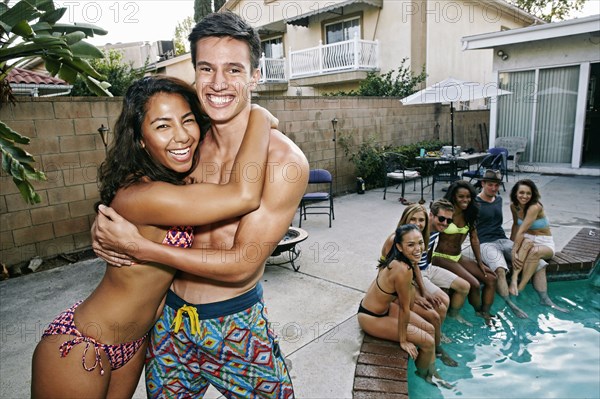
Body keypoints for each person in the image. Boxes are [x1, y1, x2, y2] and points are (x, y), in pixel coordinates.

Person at [91, 12, 308, 397]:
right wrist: (106, 221)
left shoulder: (284, 163)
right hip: (170, 319)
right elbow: (136, 190)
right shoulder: (187, 142)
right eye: (206, 68)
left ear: (255, 76)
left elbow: (243, 264)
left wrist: (139, 247)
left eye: (234, 69)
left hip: (234, 324)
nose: (219, 83)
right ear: (195, 73)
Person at [31, 75, 273, 397]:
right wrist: (259, 114)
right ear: (141, 139)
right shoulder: (144, 194)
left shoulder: (172, 183)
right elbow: (243, 195)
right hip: (82, 345)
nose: (182, 135)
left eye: (187, 120)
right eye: (162, 126)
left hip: (133, 343)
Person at [359, 224, 452, 388]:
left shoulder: (403, 262)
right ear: (399, 247)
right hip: (371, 317)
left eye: (420, 243)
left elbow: (408, 301)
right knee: (428, 341)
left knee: (430, 329)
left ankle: (431, 369)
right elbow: (404, 308)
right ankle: (425, 377)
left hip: (384, 309)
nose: (418, 249)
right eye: (411, 245)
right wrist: (403, 340)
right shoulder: (402, 269)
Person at [476, 171, 568, 319]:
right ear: (483, 184)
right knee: (500, 269)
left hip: (503, 239)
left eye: (496, 185)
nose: (493, 188)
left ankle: (545, 299)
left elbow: (515, 227)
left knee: (539, 264)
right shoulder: (474, 203)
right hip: (485, 243)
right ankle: (511, 304)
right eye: (490, 185)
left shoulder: (498, 200)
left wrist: (513, 246)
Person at [432, 180, 497, 323]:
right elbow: (430, 231)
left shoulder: (470, 213)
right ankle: (469, 312)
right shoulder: (447, 214)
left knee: (491, 278)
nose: (465, 200)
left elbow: (474, 239)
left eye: (468, 197)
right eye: (461, 196)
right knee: (473, 283)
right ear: (454, 196)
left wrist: (480, 262)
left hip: (457, 257)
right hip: (441, 257)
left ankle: (485, 312)